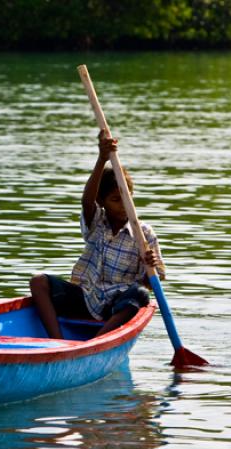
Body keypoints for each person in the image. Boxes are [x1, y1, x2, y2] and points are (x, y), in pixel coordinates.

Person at [30, 130, 166, 339]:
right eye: (115, 199)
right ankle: (56, 340)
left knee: (140, 295)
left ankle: (97, 341)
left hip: (115, 307)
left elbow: (154, 282)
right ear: (103, 202)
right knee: (38, 282)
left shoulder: (144, 234)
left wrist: (151, 266)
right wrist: (102, 159)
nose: (123, 205)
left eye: (127, 197)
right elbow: (87, 201)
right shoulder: (97, 223)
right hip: (86, 298)